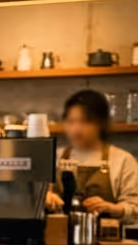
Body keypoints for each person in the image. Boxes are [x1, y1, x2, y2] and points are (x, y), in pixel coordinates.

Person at [45, 89, 138, 222]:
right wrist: (45, 197)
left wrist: (112, 208)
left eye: (85, 121)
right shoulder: (53, 157)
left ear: (101, 123)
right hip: (57, 233)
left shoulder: (123, 160)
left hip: (107, 234)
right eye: (71, 121)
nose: (77, 128)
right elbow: (34, 197)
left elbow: (135, 207)